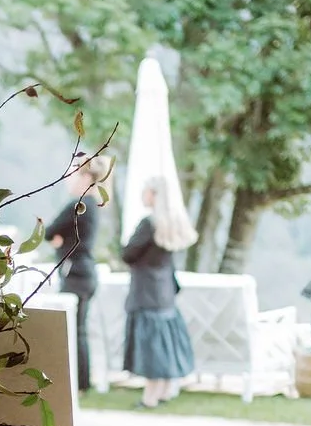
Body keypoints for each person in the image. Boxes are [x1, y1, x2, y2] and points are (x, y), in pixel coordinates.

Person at [121, 175, 199, 408]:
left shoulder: (149, 223)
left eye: (145, 191)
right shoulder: (173, 222)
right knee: (165, 343)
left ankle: (150, 396)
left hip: (146, 290)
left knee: (152, 347)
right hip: (164, 290)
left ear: (154, 195)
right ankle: (163, 392)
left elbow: (128, 254)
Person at [43, 156, 110, 393]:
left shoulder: (79, 205)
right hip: (84, 273)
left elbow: (49, 231)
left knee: (73, 328)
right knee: (78, 328)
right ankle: (81, 382)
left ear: (85, 177)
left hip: (76, 274)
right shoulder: (91, 206)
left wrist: (59, 241)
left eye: (72, 175)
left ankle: (79, 383)